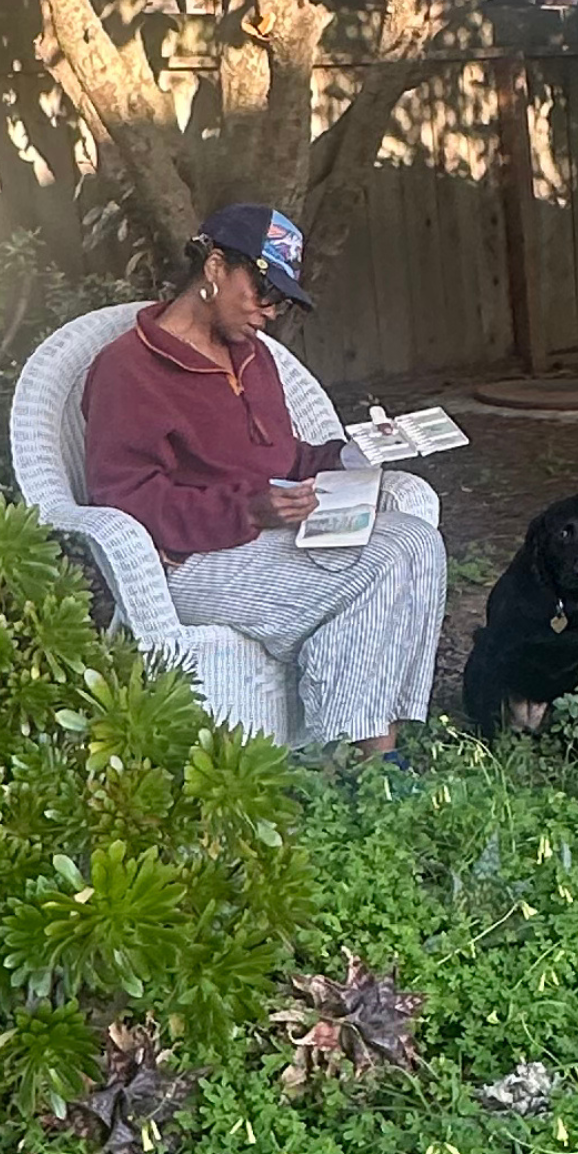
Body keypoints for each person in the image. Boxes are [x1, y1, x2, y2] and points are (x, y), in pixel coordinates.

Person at [79, 203, 447, 757]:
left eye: (281, 299)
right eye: (262, 290)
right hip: (191, 561)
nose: (270, 311)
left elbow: (278, 457)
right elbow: (120, 497)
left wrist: (352, 454)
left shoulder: (252, 357)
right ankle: (364, 762)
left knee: (418, 541)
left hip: (270, 539)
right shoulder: (129, 368)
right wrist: (248, 510)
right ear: (215, 266)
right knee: (385, 564)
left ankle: (358, 756)